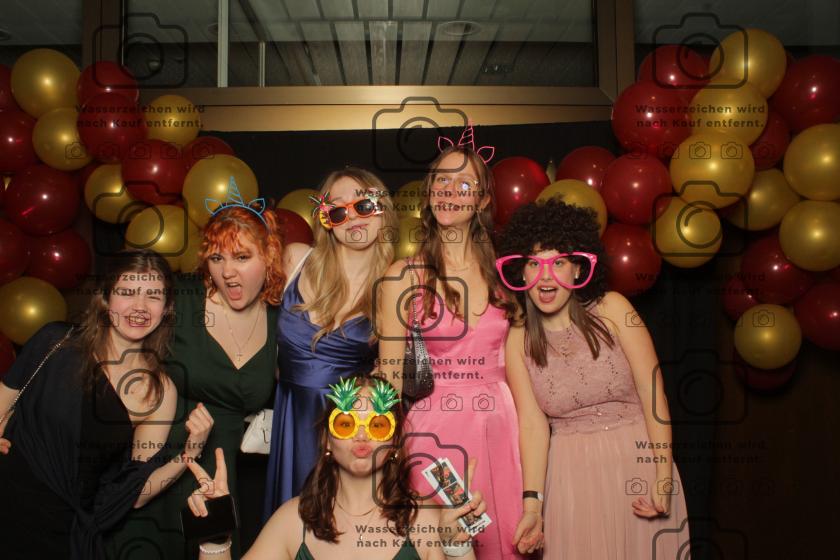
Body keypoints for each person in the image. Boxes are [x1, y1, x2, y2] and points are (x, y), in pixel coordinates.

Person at [496, 198, 691, 559]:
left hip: (638, 466)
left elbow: (653, 394)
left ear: (578, 269)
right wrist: (533, 507)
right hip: (571, 480)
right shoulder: (518, 340)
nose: (546, 276)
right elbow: (533, 428)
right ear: (521, 273)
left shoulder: (614, 309)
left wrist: (663, 475)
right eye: (534, 263)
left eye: (559, 262)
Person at [377, 139, 539, 558]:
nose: (449, 191)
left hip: (501, 431)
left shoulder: (507, 278)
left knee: (504, 542)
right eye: (441, 181)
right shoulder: (403, 277)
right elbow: (389, 385)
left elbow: (526, 388)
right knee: (442, 548)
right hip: (434, 436)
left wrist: (535, 495)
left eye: (464, 184)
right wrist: (380, 466)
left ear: (483, 200)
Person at [0, 249, 213, 559]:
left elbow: (136, 494)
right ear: (106, 297)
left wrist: (190, 452)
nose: (140, 306)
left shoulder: (158, 391)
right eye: (127, 292)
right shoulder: (55, 341)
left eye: (153, 296)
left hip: (59, 536)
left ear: (166, 308)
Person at [108, 200, 285, 559]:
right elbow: (107, 346)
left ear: (269, 255)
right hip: (157, 464)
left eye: (241, 257)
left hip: (219, 478)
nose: (227, 272)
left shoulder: (280, 319)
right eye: (217, 258)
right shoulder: (183, 298)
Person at [188, 375, 488, 560]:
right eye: (346, 424)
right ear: (327, 440)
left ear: (395, 441)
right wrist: (215, 531)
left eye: (377, 425)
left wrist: (457, 547)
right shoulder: (292, 521)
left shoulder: (426, 519)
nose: (362, 435)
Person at [264, 167, 398, 516]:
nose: (351, 217)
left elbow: (392, 379)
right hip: (292, 416)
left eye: (363, 205)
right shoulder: (295, 259)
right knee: (288, 526)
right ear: (326, 220)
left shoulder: (393, 284)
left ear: (383, 210)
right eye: (337, 210)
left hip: (351, 432)